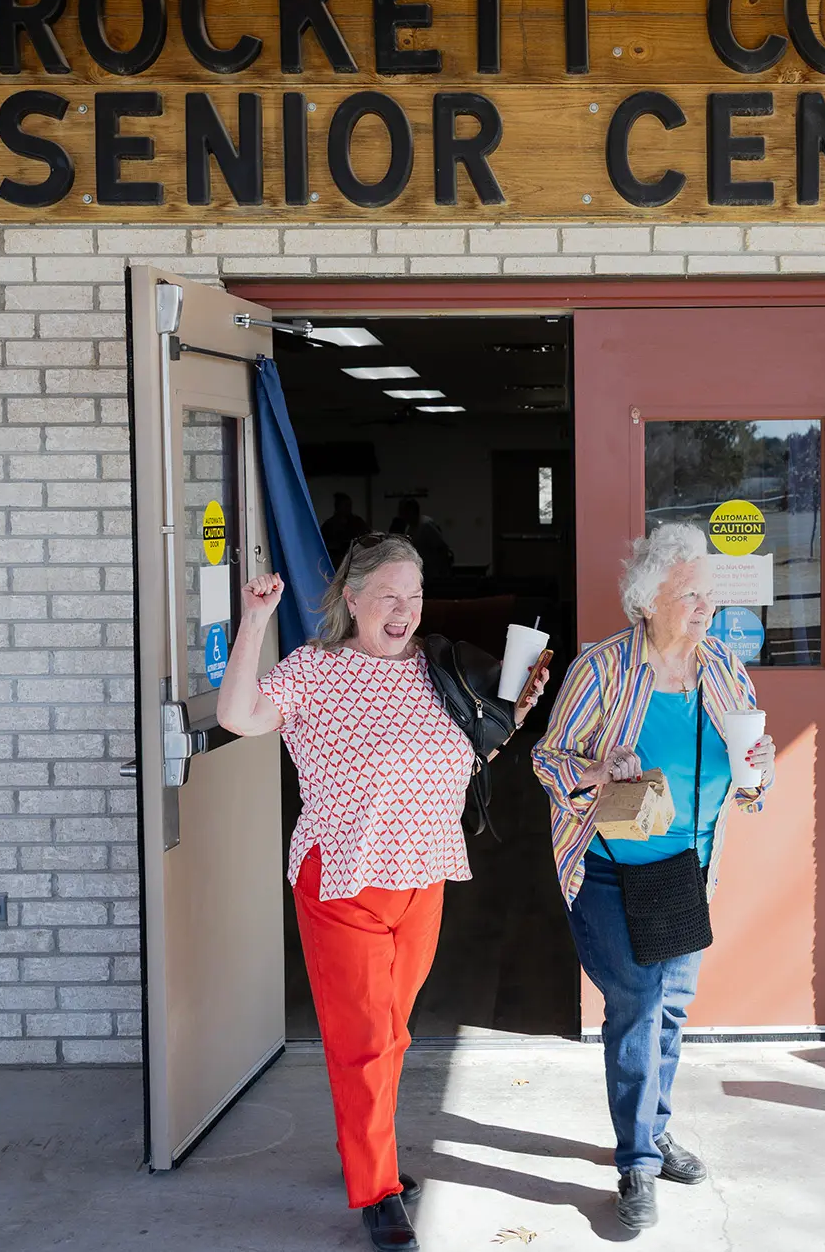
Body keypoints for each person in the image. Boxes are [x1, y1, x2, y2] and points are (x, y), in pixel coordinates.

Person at [218, 535, 548, 1252]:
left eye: (416, 595)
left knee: (391, 1035)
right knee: (365, 1040)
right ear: (353, 598)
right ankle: (376, 1191)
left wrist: (513, 710)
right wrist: (252, 622)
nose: (406, 611)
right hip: (342, 878)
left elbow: (472, 753)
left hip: (420, 875)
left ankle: (370, 1153)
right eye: (390, 596)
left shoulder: (438, 671)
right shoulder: (315, 669)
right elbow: (239, 715)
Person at [531, 522, 775, 1231]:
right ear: (648, 599)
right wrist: (599, 769)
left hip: (689, 872)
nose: (705, 606)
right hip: (611, 869)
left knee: (670, 1007)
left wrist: (758, 766)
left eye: (709, 593)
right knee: (637, 1006)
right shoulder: (605, 669)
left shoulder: (725, 667)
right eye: (689, 593)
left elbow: (749, 767)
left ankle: (655, 1130)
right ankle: (636, 1160)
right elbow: (549, 758)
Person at [389, 497, 455, 579]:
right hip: (422, 571)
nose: (402, 515)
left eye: (404, 512)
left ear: (411, 511)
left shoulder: (426, 525)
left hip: (434, 572)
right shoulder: (409, 528)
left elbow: (441, 547)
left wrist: (443, 572)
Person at [320, 491, 370, 569]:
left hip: (355, 559)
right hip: (337, 561)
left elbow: (366, 537)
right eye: (345, 505)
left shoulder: (357, 522)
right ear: (338, 507)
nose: (348, 508)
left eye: (349, 505)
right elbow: (325, 544)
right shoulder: (330, 524)